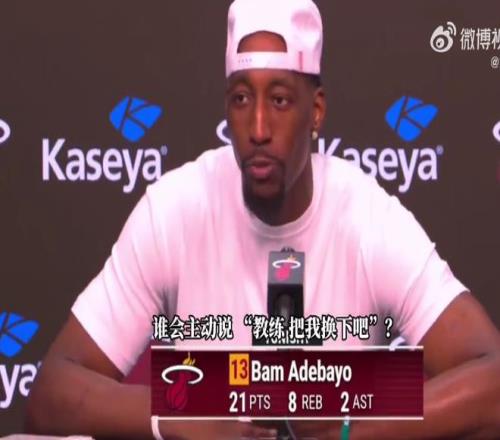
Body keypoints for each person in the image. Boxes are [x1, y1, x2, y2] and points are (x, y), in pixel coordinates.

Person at [26, 0, 500, 438]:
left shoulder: (367, 218)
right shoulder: (175, 209)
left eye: (279, 100)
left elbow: (493, 377)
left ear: (316, 112)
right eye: (241, 99)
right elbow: (51, 393)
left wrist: (350, 429)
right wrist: (181, 419)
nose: (257, 129)